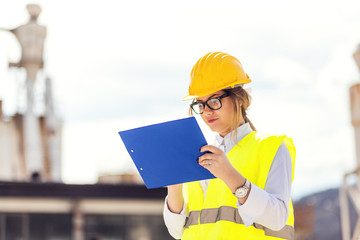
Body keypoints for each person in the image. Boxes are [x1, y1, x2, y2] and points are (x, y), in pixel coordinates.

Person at [163, 52, 296, 240]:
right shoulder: (198, 155)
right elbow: (177, 231)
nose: (206, 111)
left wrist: (230, 176)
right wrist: (173, 185)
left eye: (214, 101)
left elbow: (277, 219)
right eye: (200, 104)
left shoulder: (271, 147)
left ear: (239, 99)